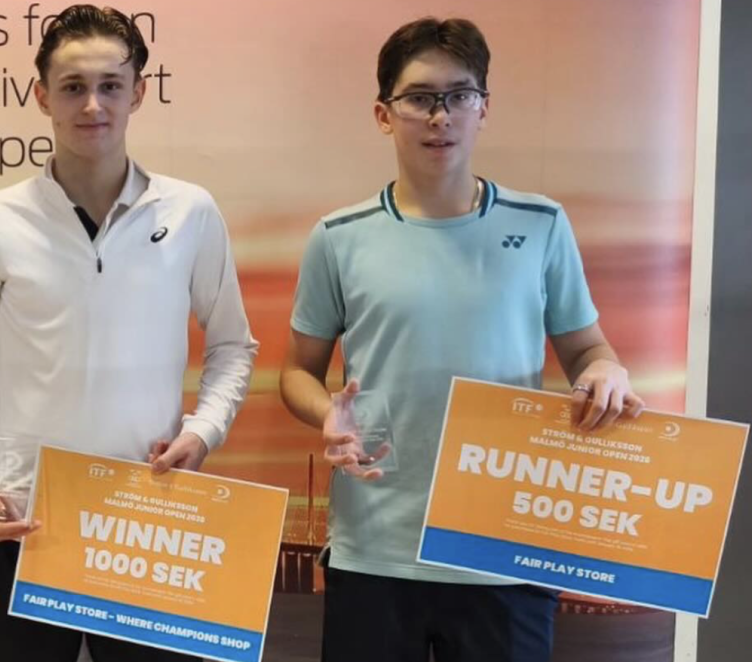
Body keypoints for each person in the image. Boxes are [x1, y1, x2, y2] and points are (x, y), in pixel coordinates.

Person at [279, 17, 644, 662]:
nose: (440, 116)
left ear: (484, 108)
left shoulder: (541, 224)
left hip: (502, 547)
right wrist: (328, 413)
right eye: (419, 98)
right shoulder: (339, 236)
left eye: (459, 96)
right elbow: (297, 373)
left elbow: (587, 350)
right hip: (375, 549)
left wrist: (605, 372)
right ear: (384, 114)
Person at [0, 5, 257, 661]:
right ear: (41, 96)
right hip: (24, 523)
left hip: (147, 523)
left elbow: (232, 346)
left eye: (110, 85)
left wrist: (203, 431)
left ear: (138, 93)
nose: (92, 105)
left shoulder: (190, 211)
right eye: (73, 86)